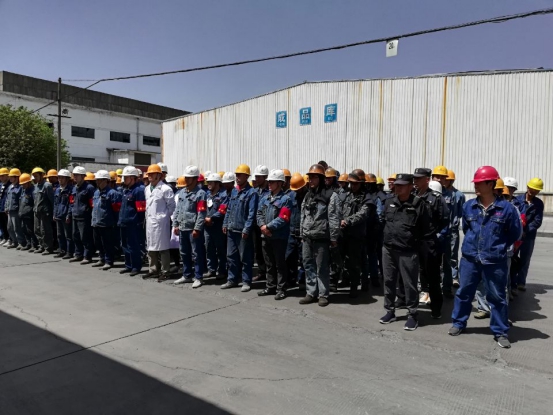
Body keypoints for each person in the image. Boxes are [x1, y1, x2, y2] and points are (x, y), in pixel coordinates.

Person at [449, 166, 522, 348]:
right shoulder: (469, 206)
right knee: (464, 293)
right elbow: (467, 229)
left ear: (491, 184)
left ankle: (500, 331)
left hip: (495, 261)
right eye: (475, 183)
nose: (476, 186)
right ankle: (458, 323)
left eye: (480, 183)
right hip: (470, 259)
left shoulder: (507, 209)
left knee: (497, 297)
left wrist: (497, 247)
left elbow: (515, 233)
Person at [379, 174, 431, 331]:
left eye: (402, 185)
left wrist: (417, 245)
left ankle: (412, 315)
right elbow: (383, 221)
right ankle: (390, 311)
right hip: (388, 249)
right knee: (388, 281)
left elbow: (426, 228)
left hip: (408, 251)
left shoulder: (418, 204)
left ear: (410, 187)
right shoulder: (389, 202)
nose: (398, 187)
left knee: (409, 284)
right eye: (396, 185)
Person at [299, 164, 340, 307]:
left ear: (321, 178)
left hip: (322, 237)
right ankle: (311, 293)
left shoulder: (331, 196)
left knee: (322, 267)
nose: (310, 180)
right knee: (308, 265)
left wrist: (333, 237)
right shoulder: (308, 195)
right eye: (309, 177)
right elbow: (303, 215)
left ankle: (323, 294)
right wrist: (302, 234)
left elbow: (334, 218)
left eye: (314, 177)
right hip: (307, 237)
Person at [413, 169, 449, 319]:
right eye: (414, 178)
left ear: (427, 179)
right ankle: (412, 304)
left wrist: (434, 234)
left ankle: (436, 307)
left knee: (433, 275)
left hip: (429, 242)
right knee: (414, 274)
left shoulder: (436, 198)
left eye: (419, 178)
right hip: (413, 241)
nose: (415, 181)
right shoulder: (412, 195)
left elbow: (444, 218)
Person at [221, 164, 258, 292]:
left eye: (240, 175)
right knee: (231, 256)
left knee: (245, 257)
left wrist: (247, 229)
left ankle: (246, 281)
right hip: (232, 229)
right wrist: (225, 223)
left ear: (247, 177)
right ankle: (232, 279)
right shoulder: (234, 191)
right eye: (236, 175)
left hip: (243, 231)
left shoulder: (252, 193)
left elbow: (252, 214)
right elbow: (229, 209)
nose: (237, 177)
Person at [256, 169, 293, 300]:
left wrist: (268, 227)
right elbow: (259, 213)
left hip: (279, 237)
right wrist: (262, 226)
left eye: (272, 182)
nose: (269, 184)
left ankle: (281, 289)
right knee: (269, 263)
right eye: (269, 181)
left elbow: (283, 218)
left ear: (280, 183)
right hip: (265, 236)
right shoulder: (264, 198)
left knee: (280, 264)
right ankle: (270, 286)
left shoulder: (286, 199)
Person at [340, 172, 375, 298]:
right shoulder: (346, 195)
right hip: (344, 233)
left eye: (356, 184)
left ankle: (355, 285)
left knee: (356, 262)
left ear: (361, 183)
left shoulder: (366, 197)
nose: (353, 186)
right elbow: (339, 209)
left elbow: (363, 214)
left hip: (357, 235)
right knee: (344, 260)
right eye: (351, 183)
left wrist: (347, 221)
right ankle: (346, 280)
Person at [172, 166, 207, 287]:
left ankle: (198, 277)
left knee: (196, 254)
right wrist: (175, 224)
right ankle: (187, 275)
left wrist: (197, 228)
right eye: (186, 177)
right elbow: (177, 209)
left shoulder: (201, 194)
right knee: (184, 253)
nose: (186, 179)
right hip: (183, 227)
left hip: (193, 229)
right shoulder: (182, 192)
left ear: (195, 179)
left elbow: (201, 213)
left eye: (189, 177)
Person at [144, 164, 176, 281]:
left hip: (161, 223)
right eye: (149, 174)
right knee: (151, 247)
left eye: (152, 174)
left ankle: (165, 271)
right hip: (150, 222)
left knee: (163, 248)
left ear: (159, 175)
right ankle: (153, 270)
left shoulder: (165, 189)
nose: (150, 176)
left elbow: (172, 207)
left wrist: (163, 217)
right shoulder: (147, 189)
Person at [514, 178, 544, 291]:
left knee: (525, 259)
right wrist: (518, 230)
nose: (533, 191)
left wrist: (526, 231)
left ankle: (521, 282)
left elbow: (537, 221)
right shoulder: (517, 200)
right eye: (532, 188)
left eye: (536, 190)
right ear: (527, 187)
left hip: (529, 236)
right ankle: (512, 282)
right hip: (516, 235)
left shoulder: (538, 204)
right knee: (513, 258)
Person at [90, 170, 122, 271]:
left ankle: (108, 261)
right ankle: (101, 258)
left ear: (106, 181)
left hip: (107, 223)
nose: (97, 182)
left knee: (107, 243)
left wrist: (115, 223)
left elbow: (116, 210)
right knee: (98, 242)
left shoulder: (112, 193)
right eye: (97, 180)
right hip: (96, 222)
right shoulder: (96, 192)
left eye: (99, 180)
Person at [118, 166, 146, 277]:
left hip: (133, 223)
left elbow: (141, 210)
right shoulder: (126, 190)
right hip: (124, 221)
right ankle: (128, 265)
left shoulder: (138, 190)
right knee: (124, 244)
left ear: (133, 178)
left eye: (126, 177)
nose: (124, 179)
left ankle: (136, 266)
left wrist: (139, 222)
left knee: (134, 245)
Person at [431, 165, 455, 298]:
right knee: (430, 263)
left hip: (445, 235)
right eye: (437, 177)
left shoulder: (451, 195)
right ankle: (430, 289)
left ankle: (447, 288)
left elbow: (451, 216)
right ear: (432, 177)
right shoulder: (427, 194)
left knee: (447, 263)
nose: (440, 179)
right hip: (430, 235)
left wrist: (443, 232)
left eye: (442, 177)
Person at [202, 172, 228, 280]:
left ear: (217, 183)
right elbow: (202, 207)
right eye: (208, 182)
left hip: (218, 226)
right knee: (209, 248)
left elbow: (222, 210)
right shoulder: (206, 195)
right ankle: (211, 269)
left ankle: (222, 270)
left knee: (220, 249)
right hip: (207, 227)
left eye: (211, 182)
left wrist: (211, 218)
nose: (208, 184)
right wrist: (204, 218)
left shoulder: (223, 195)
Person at [69, 166, 96, 264]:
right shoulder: (74, 188)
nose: (75, 177)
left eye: (77, 175)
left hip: (85, 217)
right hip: (75, 215)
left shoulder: (89, 188)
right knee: (75, 236)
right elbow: (72, 202)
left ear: (83, 176)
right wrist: (70, 213)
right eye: (74, 175)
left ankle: (87, 256)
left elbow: (93, 203)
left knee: (85, 237)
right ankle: (78, 254)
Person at [286, 173, 307, 288]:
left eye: (298, 189)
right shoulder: (290, 196)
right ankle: (291, 279)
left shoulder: (308, 197)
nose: (297, 191)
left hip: (303, 234)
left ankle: (302, 280)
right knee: (290, 257)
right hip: (291, 232)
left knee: (304, 259)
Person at [445, 169, 465, 288]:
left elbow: (461, 212)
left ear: (451, 181)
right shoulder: (440, 194)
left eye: (447, 179)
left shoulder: (459, 195)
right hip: (442, 229)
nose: (444, 181)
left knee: (453, 254)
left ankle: (454, 277)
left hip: (453, 229)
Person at [32, 167, 55, 255]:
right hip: (36, 211)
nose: (35, 178)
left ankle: (48, 247)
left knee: (45, 230)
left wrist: (53, 212)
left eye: (36, 176)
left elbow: (52, 200)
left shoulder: (47, 186)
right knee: (37, 230)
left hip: (45, 212)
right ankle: (41, 245)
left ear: (42, 175)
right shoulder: (36, 186)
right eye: (34, 176)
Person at [252, 165, 269, 282]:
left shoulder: (270, 191)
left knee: (267, 251)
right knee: (258, 250)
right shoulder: (255, 191)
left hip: (265, 225)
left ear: (265, 177)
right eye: (256, 176)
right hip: (255, 226)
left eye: (259, 177)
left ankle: (270, 274)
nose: (257, 179)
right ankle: (262, 271)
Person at [53, 169, 75, 259]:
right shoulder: (57, 190)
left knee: (68, 235)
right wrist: (54, 214)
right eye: (59, 178)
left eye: (62, 178)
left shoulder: (71, 190)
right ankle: (62, 250)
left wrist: (68, 215)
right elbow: (55, 203)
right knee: (59, 234)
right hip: (58, 215)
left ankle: (69, 252)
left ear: (67, 179)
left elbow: (71, 204)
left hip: (65, 216)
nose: (60, 180)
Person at [18, 173, 39, 251]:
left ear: (28, 182)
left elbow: (35, 203)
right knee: (24, 229)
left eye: (24, 184)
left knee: (30, 230)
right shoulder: (24, 191)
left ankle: (34, 245)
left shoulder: (33, 191)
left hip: (29, 215)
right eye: (22, 184)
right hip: (23, 214)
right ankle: (28, 244)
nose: (23, 185)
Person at [5, 169, 25, 249]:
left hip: (16, 210)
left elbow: (21, 200)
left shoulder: (20, 187)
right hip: (10, 210)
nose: (10, 178)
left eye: (12, 177)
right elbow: (7, 199)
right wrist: (6, 207)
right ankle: (14, 241)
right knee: (9, 227)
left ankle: (21, 242)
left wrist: (20, 210)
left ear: (17, 177)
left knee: (17, 227)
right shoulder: (10, 187)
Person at [0, 167, 11, 245]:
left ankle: (10, 239)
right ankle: (4, 238)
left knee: (8, 225)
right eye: (0, 176)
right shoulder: (0, 185)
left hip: (6, 208)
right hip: (0, 207)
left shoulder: (10, 185)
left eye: (3, 176)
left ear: (7, 176)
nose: (1, 177)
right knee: (2, 224)